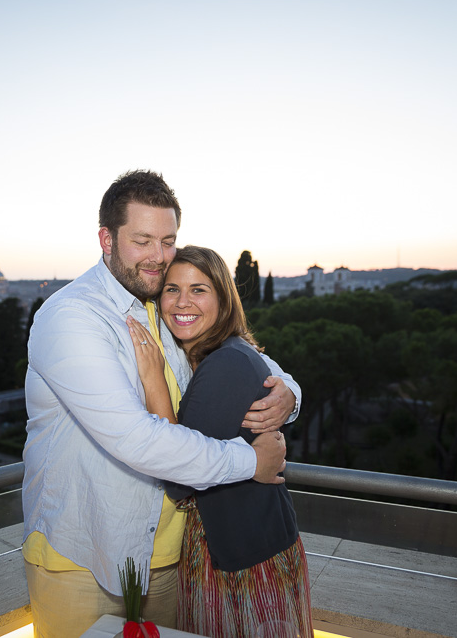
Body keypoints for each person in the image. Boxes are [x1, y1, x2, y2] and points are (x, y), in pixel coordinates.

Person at [23, 170, 302, 637]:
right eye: (143, 240)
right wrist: (249, 459)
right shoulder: (72, 317)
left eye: (168, 240)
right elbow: (134, 438)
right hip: (85, 558)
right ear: (106, 239)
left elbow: (251, 357)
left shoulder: (166, 307)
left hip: (171, 561)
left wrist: (289, 395)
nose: (158, 257)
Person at [127, 246, 313, 637]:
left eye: (199, 290)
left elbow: (178, 477)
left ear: (223, 298)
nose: (182, 302)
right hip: (246, 547)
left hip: (243, 561)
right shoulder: (220, 354)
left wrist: (154, 382)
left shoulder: (224, 364)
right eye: (171, 290)